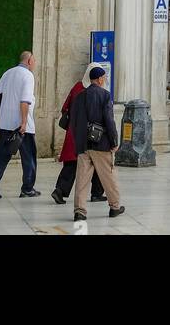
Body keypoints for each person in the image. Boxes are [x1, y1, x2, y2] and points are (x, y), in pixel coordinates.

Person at [69, 66, 125, 221]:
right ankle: (114, 207)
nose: (105, 80)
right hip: (101, 143)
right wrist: (114, 140)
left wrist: (78, 141)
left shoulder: (80, 96)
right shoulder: (105, 95)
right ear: (100, 79)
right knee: (109, 175)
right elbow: (109, 120)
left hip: (83, 145)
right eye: (104, 78)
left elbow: (73, 122)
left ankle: (80, 211)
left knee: (82, 178)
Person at [0, 51, 41, 199]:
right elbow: (25, 101)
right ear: (28, 61)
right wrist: (23, 122)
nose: (34, 63)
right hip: (23, 125)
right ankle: (27, 188)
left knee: (2, 156)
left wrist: (5, 107)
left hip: (6, 122)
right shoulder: (28, 76)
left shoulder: (8, 73)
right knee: (28, 156)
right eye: (34, 60)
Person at [51, 72, 106, 206]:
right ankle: (96, 193)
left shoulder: (77, 87)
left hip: (73, 132)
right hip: (89, 134)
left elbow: (65, 108)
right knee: (97, 161)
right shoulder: (95, 92)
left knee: (71, 164)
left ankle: (60, 190)